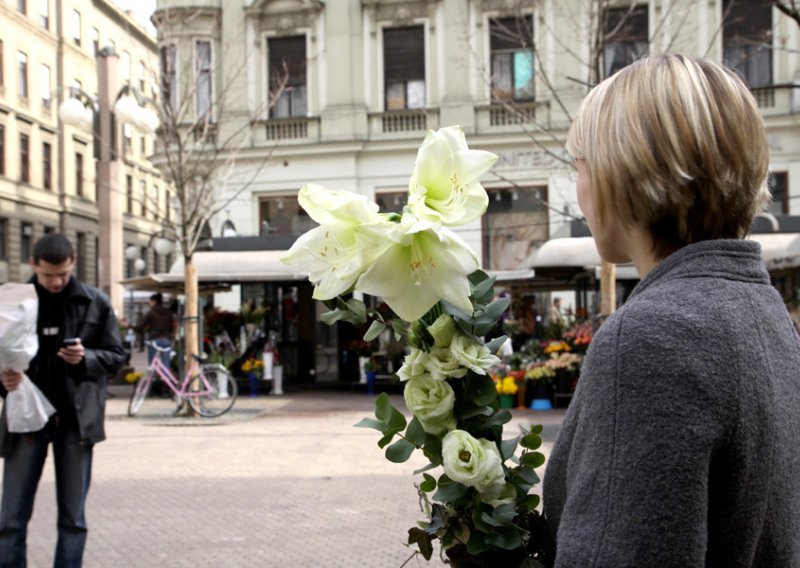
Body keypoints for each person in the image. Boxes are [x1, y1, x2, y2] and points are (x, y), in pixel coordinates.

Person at [543, 54, 800, 567]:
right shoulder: (767, 316)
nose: (579, 191)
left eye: (580, 165)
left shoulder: (651, 338)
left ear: (623, 172)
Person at [0, 233, 126, 567]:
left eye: (63, 274)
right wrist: (4, 377)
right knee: (10, 521)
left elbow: (116, 357)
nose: (56, 282)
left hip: (76, 423)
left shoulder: (94, 301)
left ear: (73, 263)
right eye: (48, 275)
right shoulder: (12, 303)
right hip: (25, 422)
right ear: (33, 265)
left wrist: (85, 359)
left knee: (73, 520)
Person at [137, 292, 175, 369]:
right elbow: (171, 327)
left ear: (154, 302)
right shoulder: (168, 312)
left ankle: (153, 379)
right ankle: (166, 379)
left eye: (149, 302)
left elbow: (140, 326)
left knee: (152, 365)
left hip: (155, 339)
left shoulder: (151, 312)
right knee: (166, 364)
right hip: (167, 339)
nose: (149, 303)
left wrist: (146, 330)